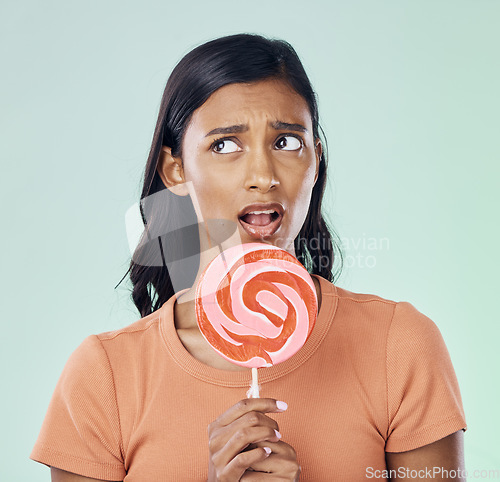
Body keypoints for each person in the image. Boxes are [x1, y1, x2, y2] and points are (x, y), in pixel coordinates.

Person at [30, 33, 467, 481]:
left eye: (286, 143)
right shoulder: (105, 377)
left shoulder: (401, 347)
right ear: (176, 169)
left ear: (316, 161)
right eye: (224, 145)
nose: (262, 176)